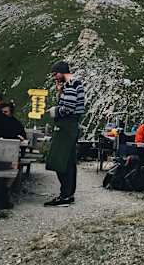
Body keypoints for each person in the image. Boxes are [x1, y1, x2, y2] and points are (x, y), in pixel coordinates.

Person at [44, 61, 86, 207]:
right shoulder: (75, 83)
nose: (54, 77)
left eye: (55, 74)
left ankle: (65, 195)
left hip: (66, 126)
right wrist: (60, 93)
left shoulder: (71, 84)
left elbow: (68, 107)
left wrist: (54, 111)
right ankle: (68, 194)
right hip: (72, 126)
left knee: (58, 160)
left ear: (62, 72)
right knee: (68, 161)